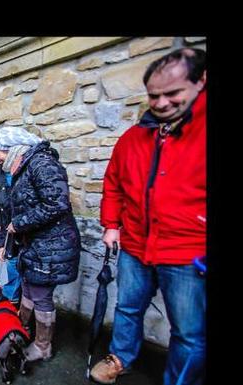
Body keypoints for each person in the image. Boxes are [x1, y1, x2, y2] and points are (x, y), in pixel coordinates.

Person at [90, 48, 206, 385]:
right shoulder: (133, 139)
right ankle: (120, 357)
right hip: (136, 245)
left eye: (173, 93)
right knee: (127, 308)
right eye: (154, 95)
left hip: (188, 251)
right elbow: (113, 184)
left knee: (188, 332)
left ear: (200, 82)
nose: (162, 103)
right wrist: (112, 225)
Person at [0, 126, 81, 362]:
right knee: (28, 288)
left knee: (40, 295)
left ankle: (42, 346)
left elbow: (56, 204)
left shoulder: (42, 164)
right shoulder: (27, 166)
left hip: (51, 245)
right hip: (36, 244)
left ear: (12, 150)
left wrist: (18, 224)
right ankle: (23, 330)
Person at [0, 145, 21, 305]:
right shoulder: (0, 171)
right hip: (8, 226)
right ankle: (12, 299)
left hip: (21, 226)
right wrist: (0, 225)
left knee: (15, 262)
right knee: (11, 260)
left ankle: (13, 299)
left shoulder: (23, 172)